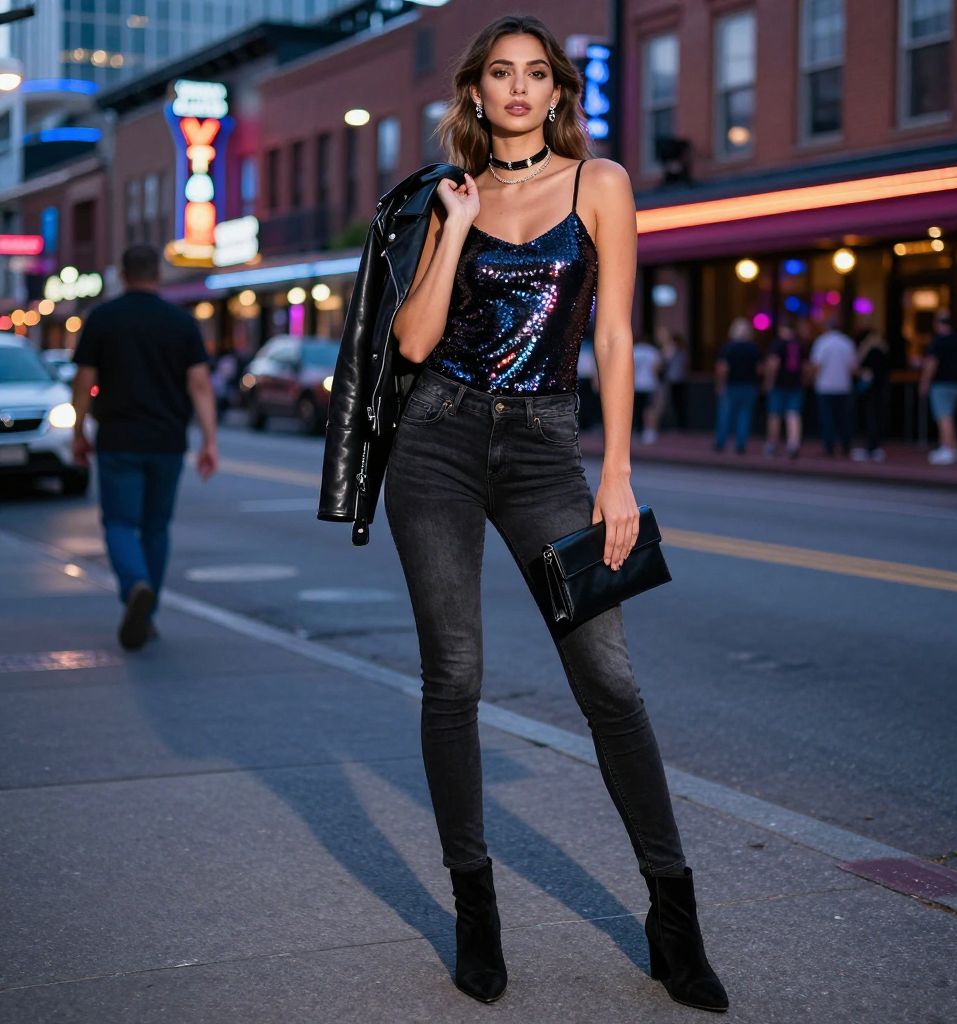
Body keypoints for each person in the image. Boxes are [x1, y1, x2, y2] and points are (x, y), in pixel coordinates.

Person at [380, 16, 727, 1013]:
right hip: (436, 444)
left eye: (536, 73)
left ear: (556, 90)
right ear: (476, 93)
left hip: (546, 449)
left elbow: (613, 335)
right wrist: (451, 225)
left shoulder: (600, 183)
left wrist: (615, 473)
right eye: (502, 74)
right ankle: (476, 911)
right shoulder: (447, 198)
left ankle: (674, 916)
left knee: (609, 682)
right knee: (454, 676)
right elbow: (411, 344)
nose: (520, 89)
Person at [70, 244, 218, 650]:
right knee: (155, 527)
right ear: (159, 274)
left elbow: (83, 381)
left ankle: (135, 585)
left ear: (122, 273)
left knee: (119, 524)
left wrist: (78, 432)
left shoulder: (103, 317)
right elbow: (201, 384)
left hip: (118, 439)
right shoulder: (180, 322)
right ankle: (147, 612)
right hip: (168, 440)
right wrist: (209, 440)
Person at [920, 310, 957, 465]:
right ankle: (949, 448)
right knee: (950, 417)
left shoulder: (938, 341)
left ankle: (948, 449)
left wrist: (924, 383)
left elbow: (931, 364)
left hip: (941, 383)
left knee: (944, 417)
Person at [809, 317, 857, 457]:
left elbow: (817, 365)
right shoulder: (847, 342)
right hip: (843, 385)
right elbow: (853, 367)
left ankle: (829, 446)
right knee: (843, 417)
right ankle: (845, 444)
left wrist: (812, 379)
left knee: (827, 418)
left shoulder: (822, 342)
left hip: (825, 386)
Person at [713, 317, 761, 454]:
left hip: (731, 385)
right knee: (744, 416)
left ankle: (720, 442)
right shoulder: (753, 348)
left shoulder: (728, 348)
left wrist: (720, 384)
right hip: (749, 385)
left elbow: (722, 369)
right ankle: (741, 444)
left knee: (725, 415)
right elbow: (759, 369)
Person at [762, 319, 805, 458]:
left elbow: (773, 364)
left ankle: (772, 444)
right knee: (793, 414)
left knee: (775, 414)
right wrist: (805, 380)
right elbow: (807, 366)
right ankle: (793, 443)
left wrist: (769, 381)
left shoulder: (777, 344)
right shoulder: (799, 344)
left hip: (779, 384)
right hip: (796, 384)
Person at [851, 327, 889, 463]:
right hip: (881, 390)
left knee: (871, 419)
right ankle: (875, 447)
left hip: (872, 391)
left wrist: (863, 350)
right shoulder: (884, 349)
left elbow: (858, 366)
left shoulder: (872, 351)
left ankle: (872, 448)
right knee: (877, 418)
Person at [632, 335, 663, 443]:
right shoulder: (653, 351)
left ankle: (637, 430)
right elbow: (656, 368)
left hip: (636, 385)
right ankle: (649, 432)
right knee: (649, 409)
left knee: (637, 409)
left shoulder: (634, 350)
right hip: (650, 384)